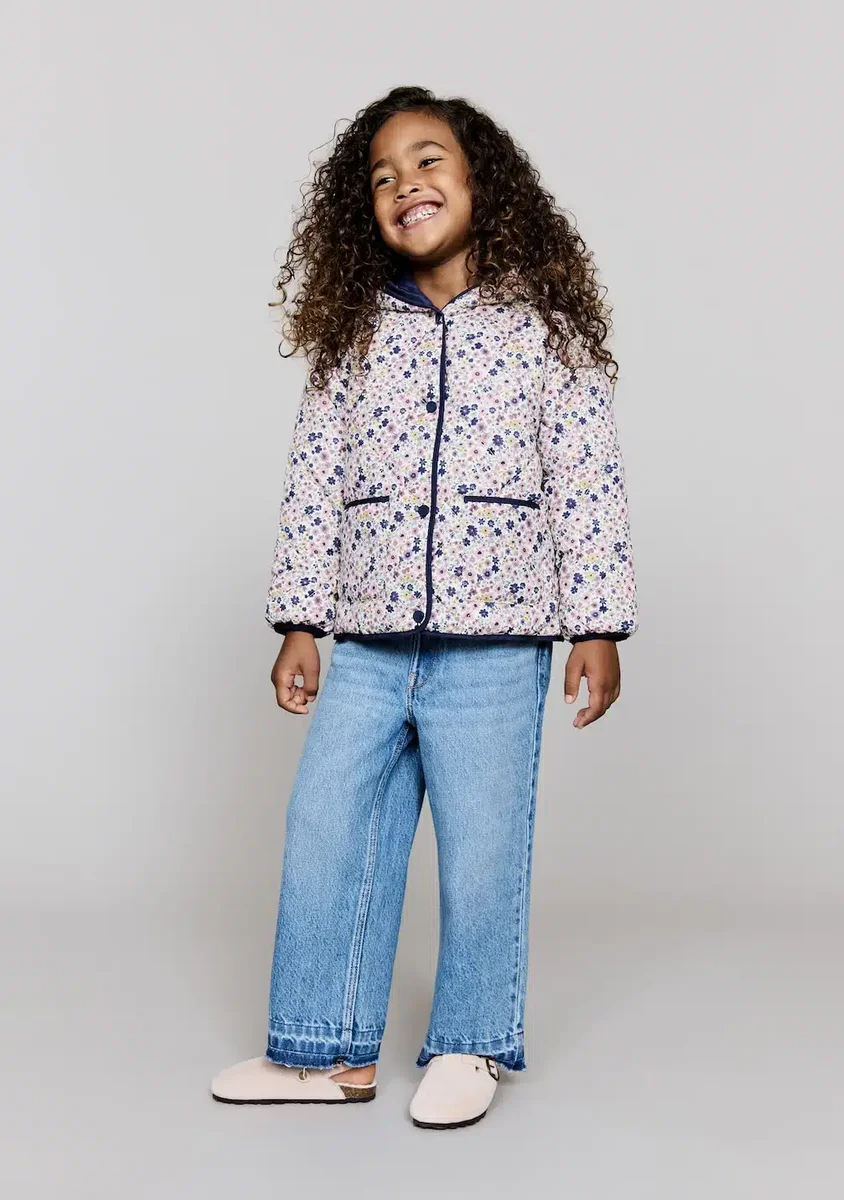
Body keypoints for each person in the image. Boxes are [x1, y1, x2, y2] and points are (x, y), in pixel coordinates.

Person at [211, 85, 638, 1130]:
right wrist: (300, 620)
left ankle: (470, 1040)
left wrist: (596, 625)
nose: (407, 183)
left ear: (481, 177)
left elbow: (587, 479)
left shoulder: (546, 329)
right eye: (382, 176)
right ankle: (324, 1053)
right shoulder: (355, 335)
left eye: (429, 159)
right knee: (329, 828)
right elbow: (316, 478)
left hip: (497, 643)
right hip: (366, 639)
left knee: (484, 849)